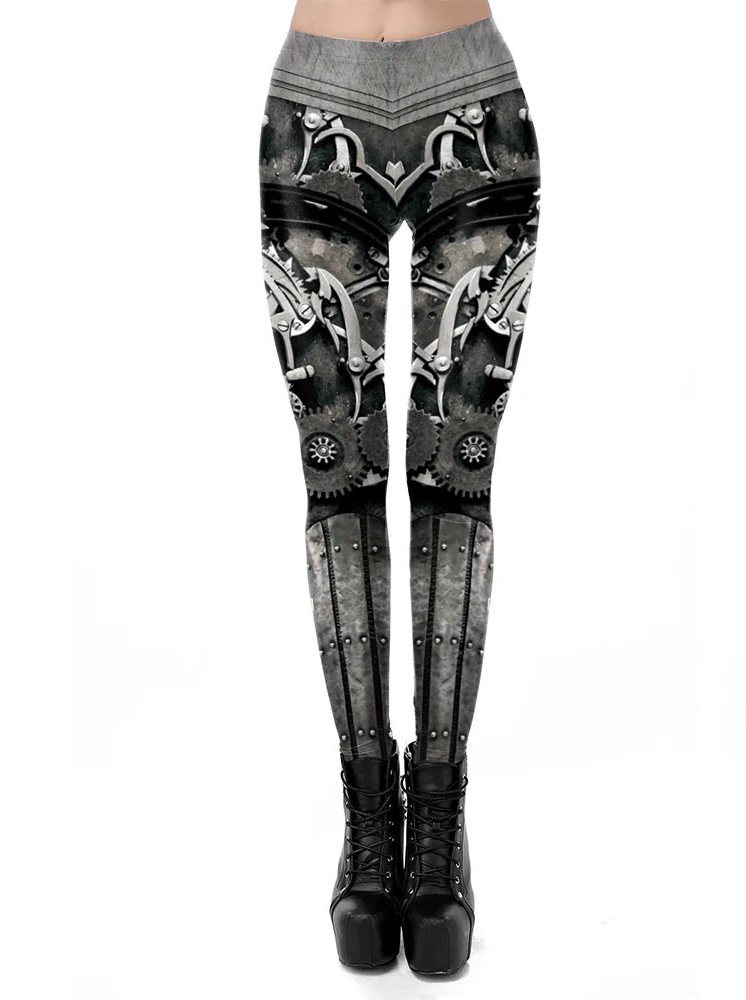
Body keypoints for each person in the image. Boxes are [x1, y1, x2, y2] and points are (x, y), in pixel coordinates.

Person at [259, 0, 539, 974]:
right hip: (315, 104)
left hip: (476, 112)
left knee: (455, 476)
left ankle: (439, 823)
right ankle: (370, 816)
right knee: (337, 475)